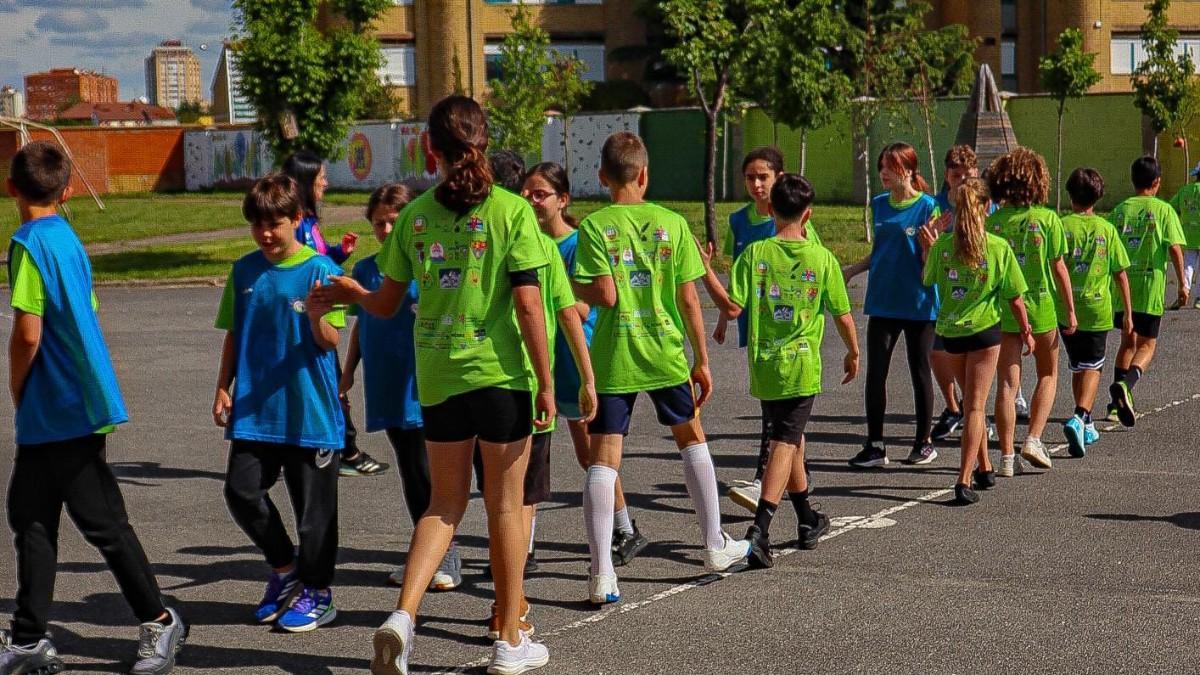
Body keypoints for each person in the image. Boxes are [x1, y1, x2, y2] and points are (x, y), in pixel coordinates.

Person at [314, 95, 554, 675]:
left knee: (442, 506)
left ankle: (402, 617)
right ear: (484, 141)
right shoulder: (509, 211)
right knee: (504, 507)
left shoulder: (416, 214)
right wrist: (546, 382)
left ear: (431, 149)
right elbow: (527, 304)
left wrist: (351, 292)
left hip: (440, 379)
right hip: (501, 379)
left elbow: (387, 303)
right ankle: (508, 640)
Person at [1, 141, 186, 675]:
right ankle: (30, 639)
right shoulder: (70, 240)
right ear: (69, 189)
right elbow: (86, 312)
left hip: (60, 404)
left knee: (102, 522)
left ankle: (160, 620)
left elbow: (28, 334)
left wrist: (18, 386)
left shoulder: (28, 243)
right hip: (66, 403)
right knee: (31, 519)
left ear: (11, 187)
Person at [573, 131, 750, 606]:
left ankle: (602, 574)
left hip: (614, 354)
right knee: (691, 438)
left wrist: (574, 287)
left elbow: (604, 294)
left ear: (603, 177)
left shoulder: (594, 227)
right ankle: (714, 544)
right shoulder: (672, 224)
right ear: (645, 174)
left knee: (604, 456)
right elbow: (689, 298)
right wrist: (702, 359)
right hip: (665, 351)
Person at [214, 173, 345, 633]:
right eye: (258, 224)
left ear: (298, 219)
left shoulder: (322, 271)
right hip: (255, 411)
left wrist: (315, 315)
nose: (266, 233)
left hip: (310, 411)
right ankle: (286, 570)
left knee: (314, 516)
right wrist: (223, 384)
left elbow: (331, 341)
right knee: (241, 491)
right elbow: (234, 331)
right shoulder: (245, 271)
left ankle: (318, 592)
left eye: (275, 223)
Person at [721, 174, 859, 566]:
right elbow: (843, 315)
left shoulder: (755, 254)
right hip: (800, 366)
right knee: (784, 442)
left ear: (769, 209)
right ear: (809, 214)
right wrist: (853, 352)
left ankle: (806, 519)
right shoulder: (822, 258)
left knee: (793, 441)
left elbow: (733, 306)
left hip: (765, 365)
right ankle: (759, 530)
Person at [522, 162, 648, 567]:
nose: (531, 200)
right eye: (527, 192)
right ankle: (523, 545)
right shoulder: (524, 242)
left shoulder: (575, 245)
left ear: (563, 200)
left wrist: (549, 291)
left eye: (540, 193)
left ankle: (625, 527)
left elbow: (585, 303)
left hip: (576, 357)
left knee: (591, 455)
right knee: (530, 456)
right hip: (537, 359)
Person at [339, 184, 463, 591]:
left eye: (396, 220)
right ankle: (426, 552)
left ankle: (448, 553)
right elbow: (362, 321)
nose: (388, 229)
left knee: (430, 469)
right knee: (411, 469)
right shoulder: (366, 270)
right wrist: (348, 370)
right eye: (380, 223)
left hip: (423, 376)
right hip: (386, 378)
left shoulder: (429, 263)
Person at [696, 147, 821, 514]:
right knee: (787, 420)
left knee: (778, 418)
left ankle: (762, 481)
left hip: (791, 332)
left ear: (779, 178)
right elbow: (739, 280)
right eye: (750, 177)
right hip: (758, 326)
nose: (756, 184)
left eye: (763, 177)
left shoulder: (794, 221)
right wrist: (723, 317)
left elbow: (811, 274)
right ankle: (801, 496)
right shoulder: (740, 221)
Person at [920, 178, 1034, 505]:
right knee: (974, 406)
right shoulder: (997, 247)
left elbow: (927, 279)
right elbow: (1014, 297)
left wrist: (928, 248)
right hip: (985, 332)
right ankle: (963, 477)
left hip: (950, 331)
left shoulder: (943, 245)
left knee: (972, 401)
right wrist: (1026, 329)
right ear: (987, 207)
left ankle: (984, 467)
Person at [281, 150, 388, 478]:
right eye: (320, 178)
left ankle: (341, 447)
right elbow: (305, 267)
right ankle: (345, 450)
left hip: (322, 311)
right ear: (304, 183)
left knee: (332, 383)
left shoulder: (309, 221)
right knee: (330, 383)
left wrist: (340, 253)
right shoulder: (296, 224)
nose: (325, 182)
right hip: (311, 317)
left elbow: (320, 258)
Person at [843, 142, 940, 468]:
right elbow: (880, 251)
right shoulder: (879, 204)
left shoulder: (928, 207)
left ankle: (924, 443)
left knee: (919, 370)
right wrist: (852, 270)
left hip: (918, 303)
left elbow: (933, 258)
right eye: (881, 166)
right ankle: (875, 445)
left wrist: (929, 250)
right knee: (876, 373)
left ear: (909, 171)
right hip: (882, 301)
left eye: (890, 166)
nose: (883, 172)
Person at [985, 148, 1076, 477]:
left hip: (1002, 310)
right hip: (1040, 308)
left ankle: (1007, 457)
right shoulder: (1047, 219)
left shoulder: (992, 222)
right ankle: (1034, 439)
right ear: (1038, 180)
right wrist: (1071, 310)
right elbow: (1060, 268)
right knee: (1048, 375)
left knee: (1007, 386)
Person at [1105, 156, 1188, 427]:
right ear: (1157, 182)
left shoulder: (1119, 211)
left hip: (1123, 289)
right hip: (1150, 288)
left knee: (1127, 342)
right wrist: (1183, 283)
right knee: (1148, 344)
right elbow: (1175, 248)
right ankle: (1126, 386)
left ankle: (1115, 406)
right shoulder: (1163, 210)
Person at [1057, 169, 1133, 456]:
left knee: (1078, 365)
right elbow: (1120, 273)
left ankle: (1086, 421)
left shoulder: (1061, 226)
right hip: (1097, 308)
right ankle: (1079, 416)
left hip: (1066, 308)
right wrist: (1127, 312)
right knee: (1093, 366)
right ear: (1098, 196)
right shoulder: (1106, 229)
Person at [929, 145, 999, 442]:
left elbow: (994, 243)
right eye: (955, 174)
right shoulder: (935, 205)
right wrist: (930, 239)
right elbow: (927, 251)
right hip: (944, 294)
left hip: (977, 295)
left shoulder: (985, 205)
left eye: (966, 174)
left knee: (978, 364)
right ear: (947, 175)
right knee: (935, 353)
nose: (960, 179)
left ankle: (977, 413)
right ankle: (953, 406)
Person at [1167, 161, 1200, 308]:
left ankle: (1184, 290)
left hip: (1189, 236)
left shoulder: (1184, 191)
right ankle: (1199, 299)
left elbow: (1171, 208)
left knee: (1188, 265)